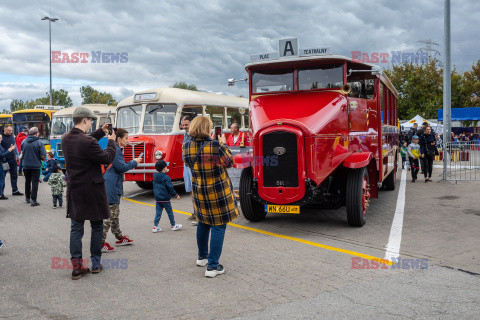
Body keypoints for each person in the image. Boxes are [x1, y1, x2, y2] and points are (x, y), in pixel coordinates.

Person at [61, 106, 116, 280]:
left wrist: (100, 132)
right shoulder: (88, 142)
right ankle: (95, 263)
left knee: (76, 229)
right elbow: (106, 157)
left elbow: (84, 141)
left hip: (75, 189)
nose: (91, 123)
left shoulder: (65, 138)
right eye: (91, 120)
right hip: (93, 190)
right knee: (96, 226)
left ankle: (77, 267)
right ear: (85, 120)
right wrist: (112, 141)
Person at [183, 116, 239, 278]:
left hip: (200, 192)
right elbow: (229, 162)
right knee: (218, 226)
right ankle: (213, 266)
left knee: (203, 222)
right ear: (207, 129)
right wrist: (223, 142)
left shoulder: (186, 145)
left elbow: (188, 163)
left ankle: (202, 257)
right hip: (217, 193)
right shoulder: (216, 146)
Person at [102, 128, 141, 253]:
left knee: (114, 214)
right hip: (112, 186)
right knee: (110, 215)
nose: (128, 141)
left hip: (111, 184)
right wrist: (134, 162)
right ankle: (100, 243)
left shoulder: (114, 149)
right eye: (126, 138)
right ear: (119, 139)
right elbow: (121, 167)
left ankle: (119, 237)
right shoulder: (117, 151)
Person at [152, 160, 182, 232]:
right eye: (166, 167)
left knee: (158, 213)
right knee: (170, 212)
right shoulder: (166, 177)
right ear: (164, 168)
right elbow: (170, 188)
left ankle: (155, 226)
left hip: (158, 198)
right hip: (165, 198)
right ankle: (173, 225)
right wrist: (176, 195)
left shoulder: (155, 177)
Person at [21, 127, 47, 206]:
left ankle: (27, 198)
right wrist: (41, 159)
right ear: (36, 134)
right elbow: (43, 155)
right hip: (35, 166)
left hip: (25, 165)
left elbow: (21, 152)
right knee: (35, 182)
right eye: (38, 133)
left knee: (27, 181)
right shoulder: (39, 142)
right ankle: (33, 200)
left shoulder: (23, 142)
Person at [181, 115, 197, 226]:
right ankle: (195, 212)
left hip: (193, 165)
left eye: (186, 125)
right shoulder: (185, 134)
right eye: (183, 125)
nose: (184, 127)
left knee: (196, 190)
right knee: (190, 189)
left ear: (191, 123)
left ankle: (199, 214)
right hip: (186, 165)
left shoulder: (195, 135)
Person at [1, 126, 23, 196]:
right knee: (2, 176)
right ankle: (1, 192)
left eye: (11, 130)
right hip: (4, 160)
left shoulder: (12, 136)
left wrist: (16, 155)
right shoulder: (1, 137)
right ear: (5, 130)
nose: (11, 132)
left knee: (14, 175)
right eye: (9, 131)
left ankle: (15, 190)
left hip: (12, 159)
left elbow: (15, 146)